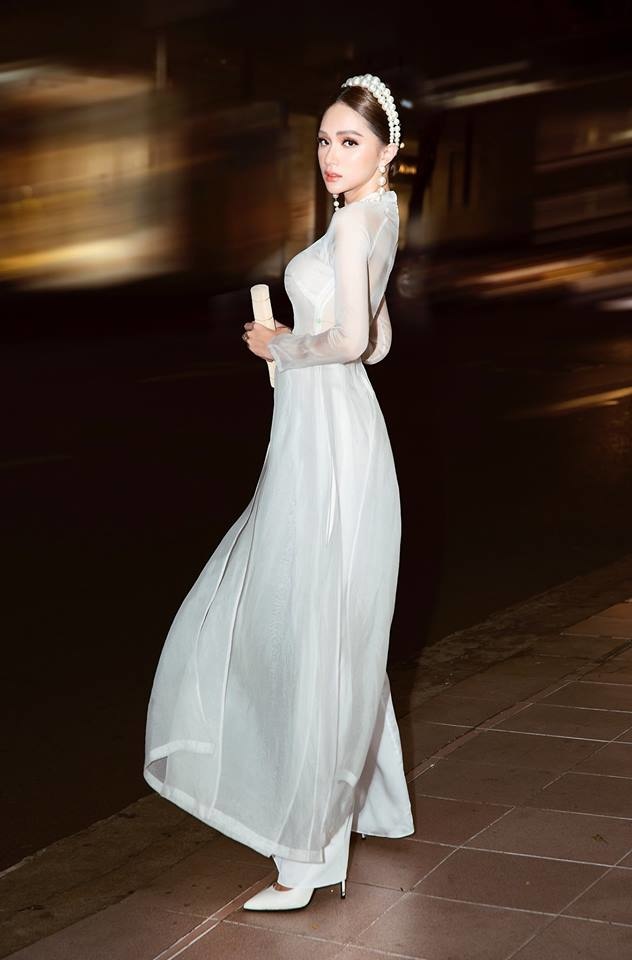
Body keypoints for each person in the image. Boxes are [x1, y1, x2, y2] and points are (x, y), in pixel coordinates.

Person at [144, 72, 414, 913]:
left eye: (350, 142)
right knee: (332, 622)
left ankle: (305, 856)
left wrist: (280, 345)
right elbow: (381, 341)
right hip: (337, 430)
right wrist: (308, 341)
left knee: (302, 621)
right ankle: (347, 812)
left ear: (386, 151)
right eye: (325, 140)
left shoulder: (355, 221)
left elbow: (353, 341)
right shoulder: (379, 214)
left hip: (327, 443)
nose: (331, 156)